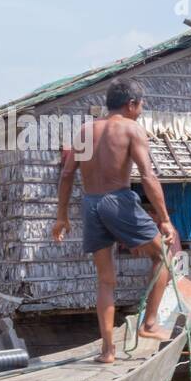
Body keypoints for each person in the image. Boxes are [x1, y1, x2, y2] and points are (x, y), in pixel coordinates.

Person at [51, 78, 177, 363]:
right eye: (141, 105)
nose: (142, 110)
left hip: (90, 204)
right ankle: (150, 323)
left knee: (105, 281)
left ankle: (108, 351)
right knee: (164, 257)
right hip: (117, 200)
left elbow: (68, 174)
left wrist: (61, 216)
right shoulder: (132, 129)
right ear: (131, 104)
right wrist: (165, 220)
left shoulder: (85, 131)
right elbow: (147, 176)